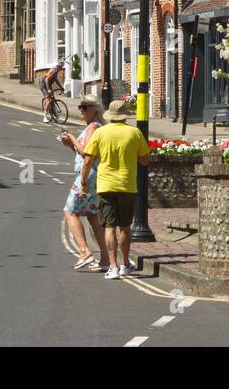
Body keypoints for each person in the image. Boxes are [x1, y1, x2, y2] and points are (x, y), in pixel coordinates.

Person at [78, 99, 150, 279]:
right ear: (125, 116)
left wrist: (84, 182)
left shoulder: (101, 132)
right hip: (127, 185)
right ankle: (125, 264)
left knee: (109, 227)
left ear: (110, 116)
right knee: (125, 227)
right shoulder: (134, 133)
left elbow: (87, 160)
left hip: (105, 186)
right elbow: (144, 160)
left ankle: (113, 267)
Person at [58, 97, 110, 273]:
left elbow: (88, 153)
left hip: (88, 176)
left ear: (95, 110)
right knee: (93, 216)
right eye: (80, 107)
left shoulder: (94, 127)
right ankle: (105, 259)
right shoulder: (96, 127)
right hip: (94, 175)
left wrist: (72, 139)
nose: (81, 110)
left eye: (85, 107)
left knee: (70, 212)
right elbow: (86, 152)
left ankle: (84, 252)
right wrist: (70, 146)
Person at [39, 56, 66, 123]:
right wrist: (48, 89)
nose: (62, 68)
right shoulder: (54, 70)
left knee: (52, 99)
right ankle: (45, 117)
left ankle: (54, 113)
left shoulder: (56, 70)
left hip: (48, 85)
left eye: (62, 66)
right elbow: (47, 79)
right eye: (61, 66)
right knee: (48, 101)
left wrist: (61, 87)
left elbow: (56, 80)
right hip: (44, 86)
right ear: (59, 65)